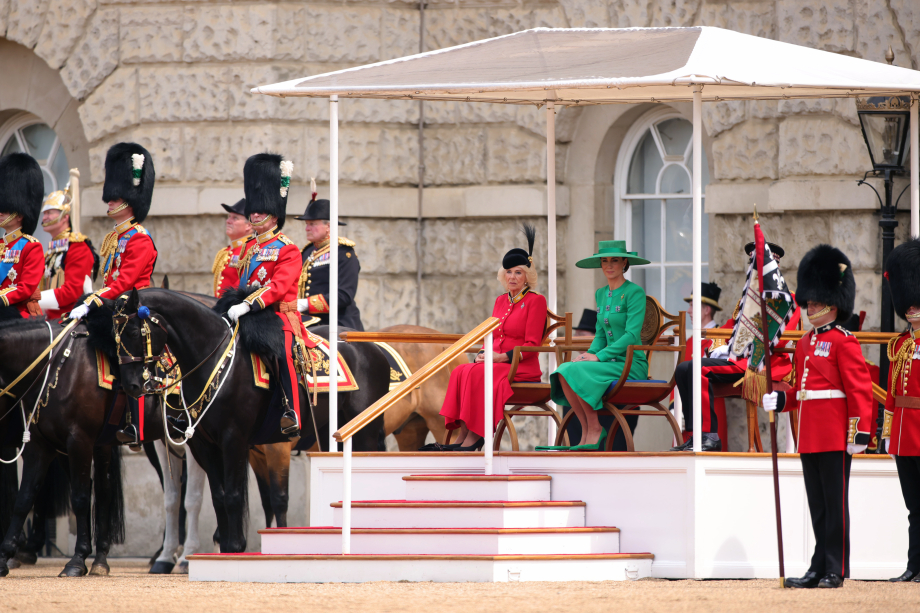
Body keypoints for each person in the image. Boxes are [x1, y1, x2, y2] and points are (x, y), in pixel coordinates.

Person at [762, 244, 872, 589]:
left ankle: (835, 568)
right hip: (810, 433)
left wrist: (860, 433)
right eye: (807, 301)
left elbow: (859, 392)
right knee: (818, 505)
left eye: (815, 301)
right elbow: (802, 391)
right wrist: (779, 400)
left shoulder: (844, 342)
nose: (809, 306)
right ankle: (818, 565)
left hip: (836, 433)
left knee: (836, 505)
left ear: (831, 303)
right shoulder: (806, 343)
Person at [671, 242, 800, 452]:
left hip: (761, 365)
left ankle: (709, 435)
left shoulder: (786, 299)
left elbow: (782, 338)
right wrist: (722, 346)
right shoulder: (747, 301)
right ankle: (696, 435)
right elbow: (730, 330)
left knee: (698, 369)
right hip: (738, 360)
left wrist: (745, 346)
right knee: (683, 368)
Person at [69, 142, 158, 447]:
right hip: (112, 304)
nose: (109, 203)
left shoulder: (140, 239)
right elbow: (109, 279)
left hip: (135, 308)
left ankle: (135, 423)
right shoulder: (113, 237)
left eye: (115, 198)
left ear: (129, 202)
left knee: (130, 357)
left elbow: (126, 281)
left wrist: (94, 299)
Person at [434, 225, 546, 451]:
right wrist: (483, 354)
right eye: (509, 272)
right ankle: (463, 434)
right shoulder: (501, 300)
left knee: (480, 374)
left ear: (527, 276)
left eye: (518, 272)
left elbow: (533, 345)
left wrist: (499, 357)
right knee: (461, 371)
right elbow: (494, 336)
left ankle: (477, 435)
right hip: (496, 361)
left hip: (520, 367)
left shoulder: (536, 301)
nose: (512, 277)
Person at [228, 153, 307, 437]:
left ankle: (291, 410)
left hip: (278, 316)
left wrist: (249, 304)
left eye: (261, 211)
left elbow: (278, 288)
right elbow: (241, 282)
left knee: (283, 353)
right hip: (248, 313)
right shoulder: (249, 248)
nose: (255, 214)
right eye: (254, 210)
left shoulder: (288, 248)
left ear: (274, 214)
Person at [546, 240, 649, 451]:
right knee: (565, 370)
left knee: (578, 371)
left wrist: (598, 357)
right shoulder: (601, 293)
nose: (609, 265)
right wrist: (590, 353)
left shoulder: (635, 292)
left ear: (624, 263)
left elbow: (631, 334)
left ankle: (594, 429)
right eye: (604, 261)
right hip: (607, 362)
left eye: (614, 261)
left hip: (631, 363)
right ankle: (587, 430)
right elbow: (600, 334)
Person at [881, 238, 920, 583]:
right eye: (907, 304)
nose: (911, 308)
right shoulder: (901, 344)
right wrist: (888, 433)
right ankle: (914, 566)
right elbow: (893, 393)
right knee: (914, 508)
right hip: (905, 436)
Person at [296, 183, 363, 330]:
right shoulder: (306, 252)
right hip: (308, 323)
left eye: (312, 223)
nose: (307, 228)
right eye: (306, 224)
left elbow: (344, 296)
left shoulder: (344, 253)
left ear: (329, 226)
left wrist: (305, 304)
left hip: (338, 325)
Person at [675, 281, 728, 447]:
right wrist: (674, 407)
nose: (689, 311)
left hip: (712, 407)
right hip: (686, 410)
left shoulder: (721, 338)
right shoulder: (689, 341)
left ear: (707, 309)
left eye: (693, 306)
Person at [37, 186, 99, 320]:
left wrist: (35, 300)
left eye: (50, 213)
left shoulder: (78, 247)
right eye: (44, 213)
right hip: (48, 318)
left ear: (65, 217)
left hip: (68, 320)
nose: (45, 217)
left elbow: (72, 291)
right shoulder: (52, 250)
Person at [0, 153, 44, 319]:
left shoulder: (31, 246)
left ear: (20, 214)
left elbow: (26, 287)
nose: (1, 213)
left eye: (6, 209)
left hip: (19, 315)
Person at [212, 198, 252, 298]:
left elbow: (243, 284)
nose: (228, 221)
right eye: (229, 217)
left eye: (235, 218)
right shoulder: (226, 251)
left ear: (249, 225)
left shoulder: (251, 250)